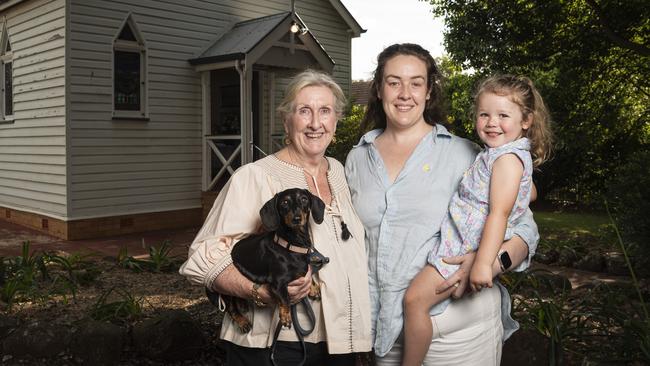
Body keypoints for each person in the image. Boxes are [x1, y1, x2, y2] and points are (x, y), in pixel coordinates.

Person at [345, 43, 540, 365]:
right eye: (394, 82)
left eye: (416, 82)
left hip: (462, 333)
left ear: (429, 91)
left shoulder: (465, 154)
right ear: (379, 89)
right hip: (387, 332)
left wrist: (489, 263)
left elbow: (523, 225)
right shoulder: (357, 159)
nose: (405, 93)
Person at [180, 69, 371, 366]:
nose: (315, 123)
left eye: (325, 111)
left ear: (336, 120)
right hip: (275, 348)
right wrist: (260, 292)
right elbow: (202, 257)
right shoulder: (254, 177)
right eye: (304, 111)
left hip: (338, 345)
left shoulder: (339, 172)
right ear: (286, 119)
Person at [401, 74, 553, 365]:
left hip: (463, 246)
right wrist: (522, 192)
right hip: (462, 238)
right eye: (484, 114)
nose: (491, 122)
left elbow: (499, 213)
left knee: (414, 301)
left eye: (503, 115)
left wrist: (484, 264)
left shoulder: (506, 159)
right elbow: (527, 191)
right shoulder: (501, 154)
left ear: (526, 120)